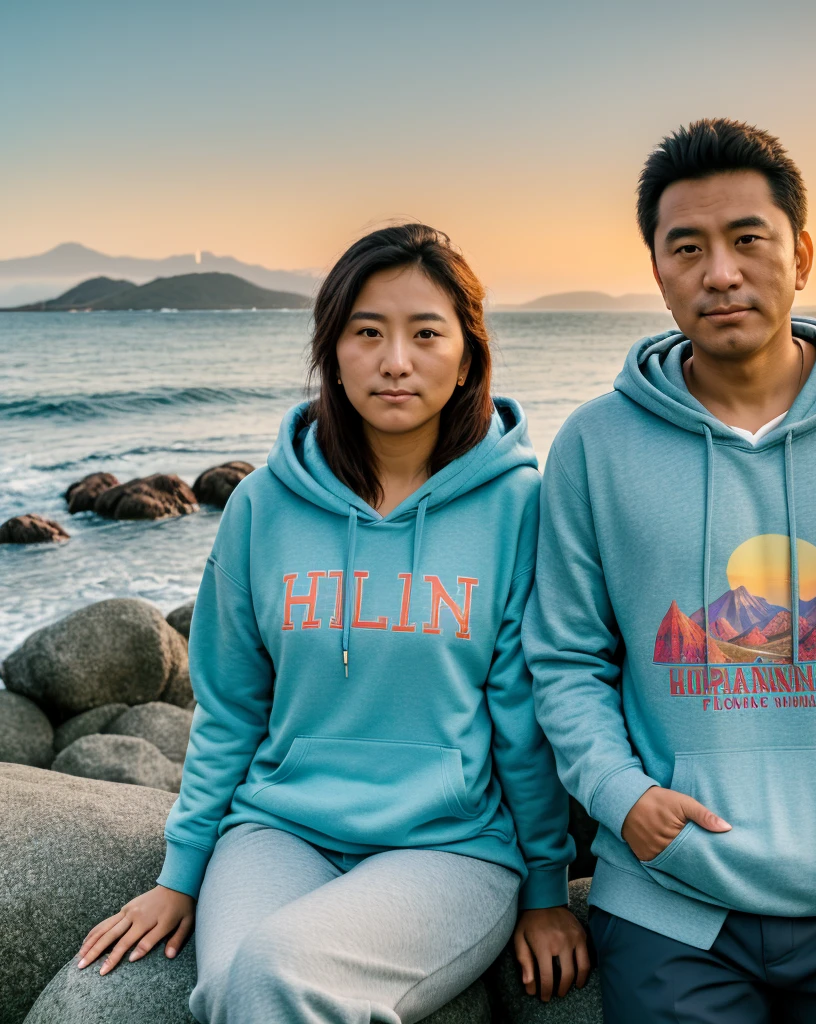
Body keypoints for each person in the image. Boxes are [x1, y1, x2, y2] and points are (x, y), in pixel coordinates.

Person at [523, 119, 816, 1023]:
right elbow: (567, 657)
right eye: (686, 247)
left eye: (748, 240)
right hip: (669, 898)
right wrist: (626, 801)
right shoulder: (594, 447)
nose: (720, 272)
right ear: (657, 270)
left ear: (801, 253)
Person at [76, 223, 588, 1022]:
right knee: (231, 986)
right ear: (332, 351)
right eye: (367, 332)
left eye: (426, 333)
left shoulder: (518, 508)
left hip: (448, 847)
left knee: (274, 975)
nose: (395, 360)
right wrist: (179, 877)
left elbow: (523, 714)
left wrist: (548, 890)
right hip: (281, 830)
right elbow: (231, 708)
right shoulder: (261, 508)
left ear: (467, 358)